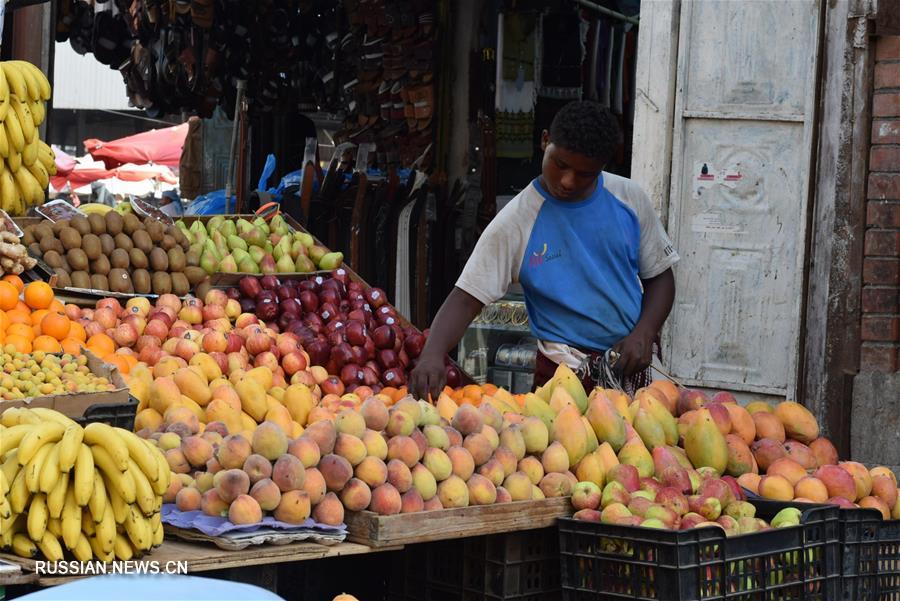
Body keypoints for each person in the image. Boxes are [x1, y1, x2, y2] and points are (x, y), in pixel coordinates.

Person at [410, 101, 679, 401]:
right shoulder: (517, 221)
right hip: (563, 377)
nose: (567, 181)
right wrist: (432, 354)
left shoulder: (629, 199)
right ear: (545, 140)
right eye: (560, 165)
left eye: (584, 174)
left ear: (602, 166)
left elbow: (660, 278)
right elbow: (465, 299)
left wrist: (644, 331)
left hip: (632, 365)